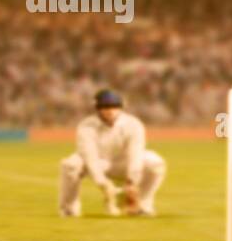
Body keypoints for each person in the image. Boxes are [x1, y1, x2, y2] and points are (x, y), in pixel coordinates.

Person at [58, 89, 166, 217]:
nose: (110, 110)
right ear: (98, 108)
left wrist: (132, 182)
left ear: (121, 107)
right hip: (99, 163)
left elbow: (135, 153)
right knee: (71, 164)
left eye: (115, 106)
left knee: (155, 163)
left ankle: (142, 205)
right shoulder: (86, 126)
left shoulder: (133, 124)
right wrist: (102, 183)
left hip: (122, 163)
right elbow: (89, 156)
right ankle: (69, 209)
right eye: (105, 107)